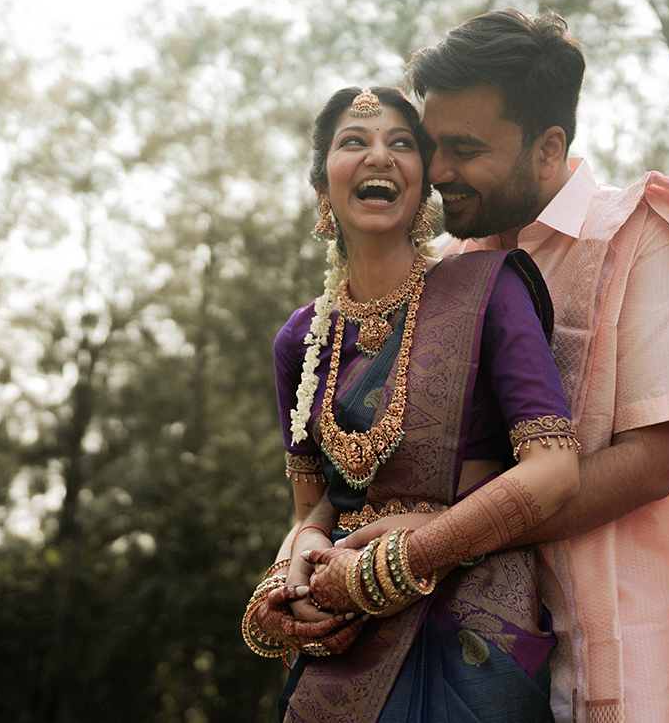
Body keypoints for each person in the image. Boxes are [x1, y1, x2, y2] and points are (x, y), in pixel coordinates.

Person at [330, 10, 669, 722]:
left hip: (634, 652)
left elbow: (650, 460)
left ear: (549, 147)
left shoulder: (641, 234)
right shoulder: (443, 270)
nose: (438, 171)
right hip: (474, 665)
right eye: (433, 144)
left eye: (465, 149)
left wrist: (434, 540)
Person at [242, 86, 582, 722]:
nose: (379, 156)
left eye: (401, 143)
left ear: (424, 186)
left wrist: (399, 564)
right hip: (344, 621)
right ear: (322, 187)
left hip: (470, 612)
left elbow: (556, 469)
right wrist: (285, 582)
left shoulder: (489, 289)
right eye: (354, 142)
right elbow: (313, 507)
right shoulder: (302, 339)